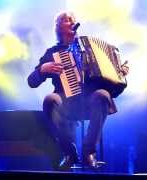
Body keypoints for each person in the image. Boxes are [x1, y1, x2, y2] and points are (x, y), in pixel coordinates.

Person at [27, 12, 129, 170]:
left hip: (91, 101)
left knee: (102, 95)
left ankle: (89, 152)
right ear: (58, 27)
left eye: (72, 19)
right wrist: (42, 70)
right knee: (49, 100)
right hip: (65, 102)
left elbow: (113, 82)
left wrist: (119, 71)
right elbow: (31, 82)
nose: (71, 21)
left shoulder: (87, 47)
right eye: (66, 20)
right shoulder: (52, 53)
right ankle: (70, 153)